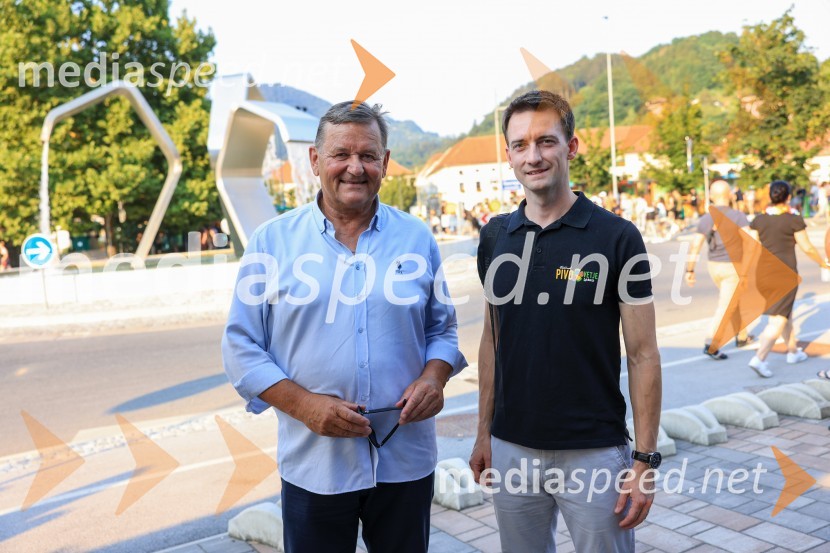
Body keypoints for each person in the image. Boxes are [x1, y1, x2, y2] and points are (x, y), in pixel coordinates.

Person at [222, 101, 467, 553]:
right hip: (315, 464)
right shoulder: (271, 241)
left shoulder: (416, 238)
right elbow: (241, 347)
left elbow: (443, 330)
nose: (355, 167)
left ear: (385, 163)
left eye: (368, 156)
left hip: (405, 461)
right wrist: (304, 405)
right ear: (315, 161)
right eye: (341, 154)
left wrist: (435, 377)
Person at [469, 90, 662, 553]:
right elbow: (493, 340)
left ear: (571, 146)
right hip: (511, 447)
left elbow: (642, 354)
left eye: (546, 142)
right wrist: (483, 433)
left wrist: (644, 462)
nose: (533, 156)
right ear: (509, 156)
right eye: (520, 145)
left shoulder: (616, 236)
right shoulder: (495, 237)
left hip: (594, 451)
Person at [746, 180, 829, 377]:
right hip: (785, 274)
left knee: (785, 313)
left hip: (763, 273)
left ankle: (792, 351)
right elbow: (807, 246)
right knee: (777, 319)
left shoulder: (759, 220)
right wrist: (823, 263)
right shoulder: (794, 220)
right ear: (789, 197)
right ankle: (759, 358)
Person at [685, 180, 754, 360]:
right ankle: (711, 344)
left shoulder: (706, 218)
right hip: (733, 267)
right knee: (726, 306)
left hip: (713, 266)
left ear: (712, 197)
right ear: (730, 195)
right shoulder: (738, 216)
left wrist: (689, 270)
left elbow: (695, 245)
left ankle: (742, 336)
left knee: (733, 300)